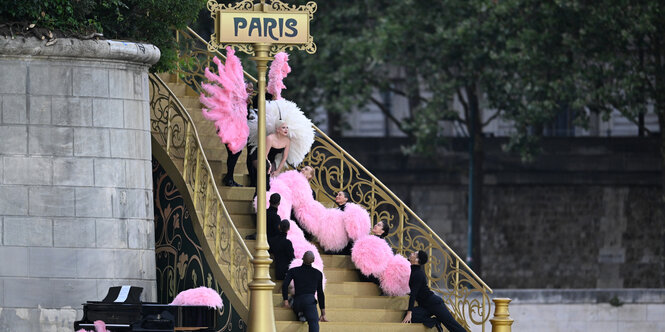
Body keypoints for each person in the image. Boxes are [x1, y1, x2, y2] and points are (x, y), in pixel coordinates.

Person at [402, 251, 466, 332]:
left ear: (417, 260)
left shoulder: (418, 274)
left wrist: (409, 312)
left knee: (452, 325)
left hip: (434, 303)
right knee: (412, 317)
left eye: (414, 254)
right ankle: (435, 322)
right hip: (425, 306)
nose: (411, 253)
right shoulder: (414, 271)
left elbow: (414, 294)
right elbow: (416, 291)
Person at [283, 251, 327, 332]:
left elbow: (285, 285)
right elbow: (320, 293)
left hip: (297, 302)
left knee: (295, 301)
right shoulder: (317, 273)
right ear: (313, 260)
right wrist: (323, 313)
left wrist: (285, 300)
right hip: (310, 302)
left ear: (302, 258)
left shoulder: (293, 270)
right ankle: (304, 315)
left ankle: (302, 314)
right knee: (314, 322)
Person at [248, 119, 291, 191]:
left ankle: (267, 198)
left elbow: (284, 158)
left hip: (271, 160)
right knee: (265, 172)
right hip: (259, 157)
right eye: (283, 127)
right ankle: (257, 198)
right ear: (277, 129)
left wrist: (277, 171)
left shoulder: (287, 141)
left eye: (287, 127)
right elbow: (264, 155)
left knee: (272, 179)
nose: (286, 129)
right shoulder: (270, 138)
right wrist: (269, 166)